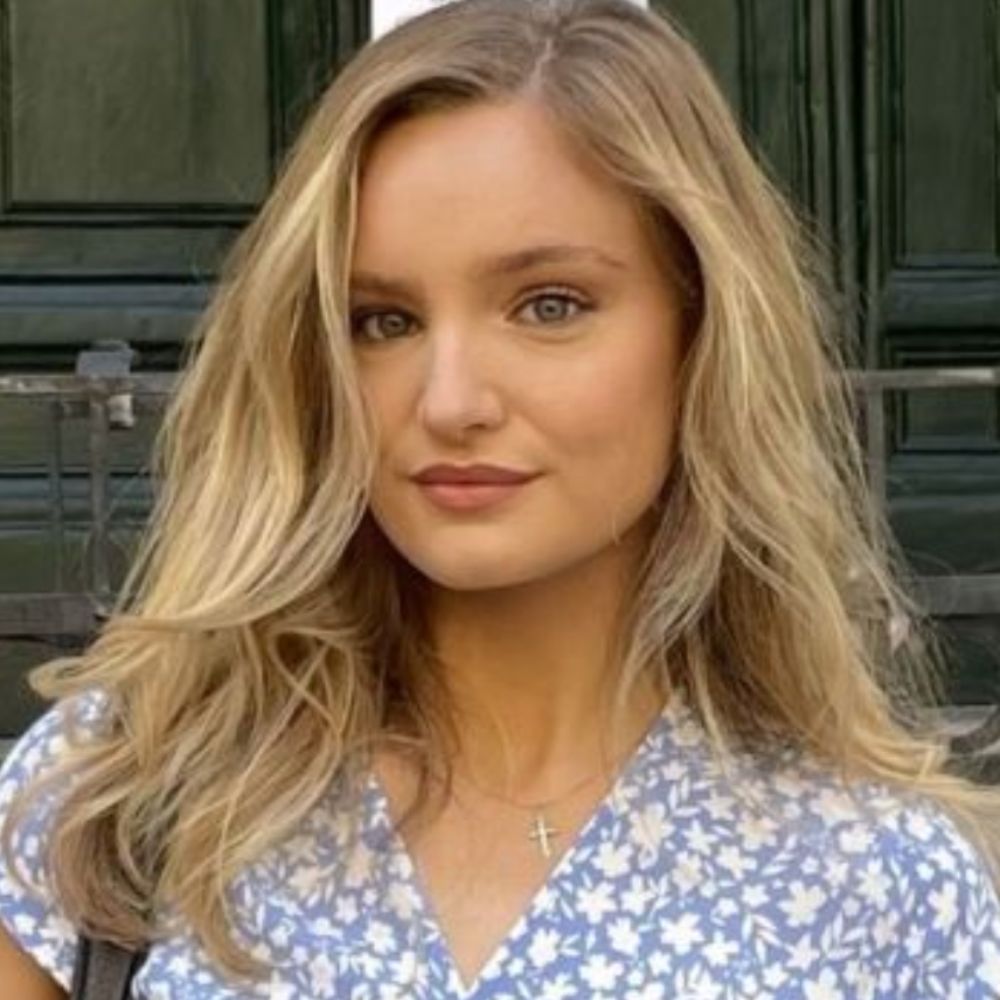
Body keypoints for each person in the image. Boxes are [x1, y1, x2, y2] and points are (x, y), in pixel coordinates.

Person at [1, 0, 1000, 996]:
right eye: (380, 319)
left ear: (701, 329)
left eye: (548, 305)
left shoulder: (879, 884)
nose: (450, 401)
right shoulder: (131, 788)